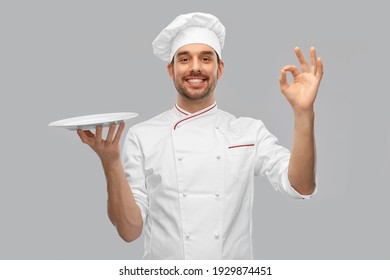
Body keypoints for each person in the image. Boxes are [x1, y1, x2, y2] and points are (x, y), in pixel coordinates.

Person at [77, 12, 323, 259]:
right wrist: (110, 163)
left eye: (205, 58)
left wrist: (304, 113)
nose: (195, 67)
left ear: (220, 68)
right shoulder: (142, 136)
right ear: (171, 70)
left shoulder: (249, 132)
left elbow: (301, 186)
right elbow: (129, 230)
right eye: (185, 59)